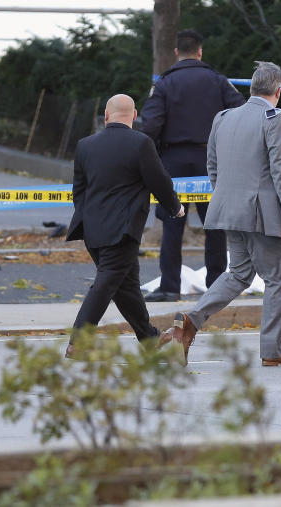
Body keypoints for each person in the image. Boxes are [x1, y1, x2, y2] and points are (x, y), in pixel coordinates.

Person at [157, 62, 281, 367]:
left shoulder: (224, 117)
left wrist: (229, 196)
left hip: (228, 209)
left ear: (252, 88)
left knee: (238, 274)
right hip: (262, 215)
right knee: (278, 277)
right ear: (278, 90)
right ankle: (273, 348)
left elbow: (212, 164)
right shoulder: (275, 117)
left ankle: (186, 324)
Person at [64, 94, 185, 358]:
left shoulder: (85, 145)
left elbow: (79, 192)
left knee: (126, 286)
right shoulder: (140, 143)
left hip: (93, 232)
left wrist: (90, 221)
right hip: (124, 231)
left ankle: (150, 338)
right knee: (106, 284)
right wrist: (175, 207)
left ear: (106, 116)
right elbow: (159, 181)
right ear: (134, 115)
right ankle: (78, 341)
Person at [140, 29, 245, 303]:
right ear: (200, 51)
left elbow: (150, 125)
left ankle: (170, 287)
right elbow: (242, 112)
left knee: (173, 227)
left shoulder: (164, 84)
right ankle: (217, 287)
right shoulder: (218, 81)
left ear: (177, 52)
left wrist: (146, 159)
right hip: (211, 161)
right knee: (215, 227)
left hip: (173, 163)